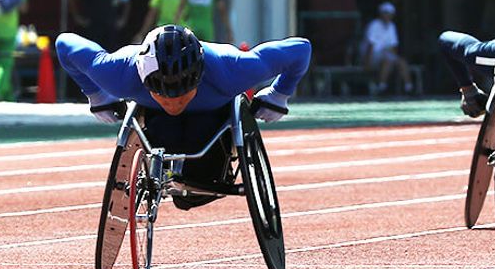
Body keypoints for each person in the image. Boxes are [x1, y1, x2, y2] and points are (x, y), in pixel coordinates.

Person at [56, 24, 311, 210]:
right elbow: (64, 43)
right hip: (157, 121)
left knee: (200, 173)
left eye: (182, 93)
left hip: (213, 115)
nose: (173, 102)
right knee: (166, 132)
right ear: (144, 79)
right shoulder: (118, 73)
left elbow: (300, 49)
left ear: (199, 76)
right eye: (163, 94)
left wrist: (279, 94)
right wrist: (96, 95)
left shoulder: (233, 69)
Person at [361, 2, 413, 94]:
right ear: (381, 14)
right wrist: (367, 63)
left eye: (389, 13)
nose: (387, 15)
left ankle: (409, 87)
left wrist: (396, 59)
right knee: (387, 61)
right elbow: (370, 46)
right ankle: (381, 87)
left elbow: (393, 46)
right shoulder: (374, 25)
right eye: (385, 13)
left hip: (385, 54)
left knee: (402, 62)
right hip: (373, 55)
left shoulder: (392, 26)